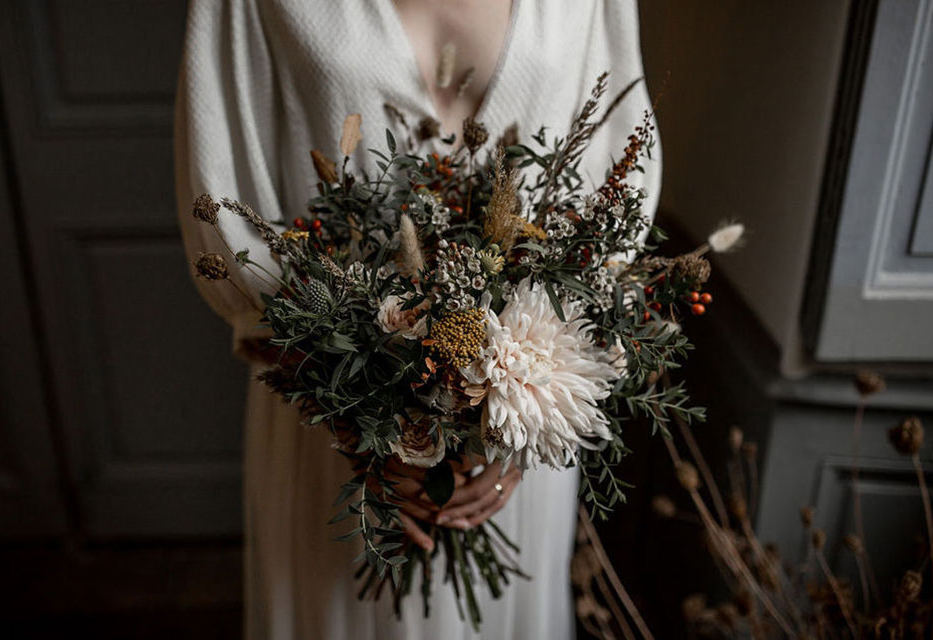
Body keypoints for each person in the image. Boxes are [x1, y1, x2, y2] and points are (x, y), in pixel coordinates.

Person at [175, 1, 660, 638]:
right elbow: (221, 173)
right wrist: (358, 423)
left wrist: (525, 417)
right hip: (322, 414)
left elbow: (616, 171)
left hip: (520, 428)